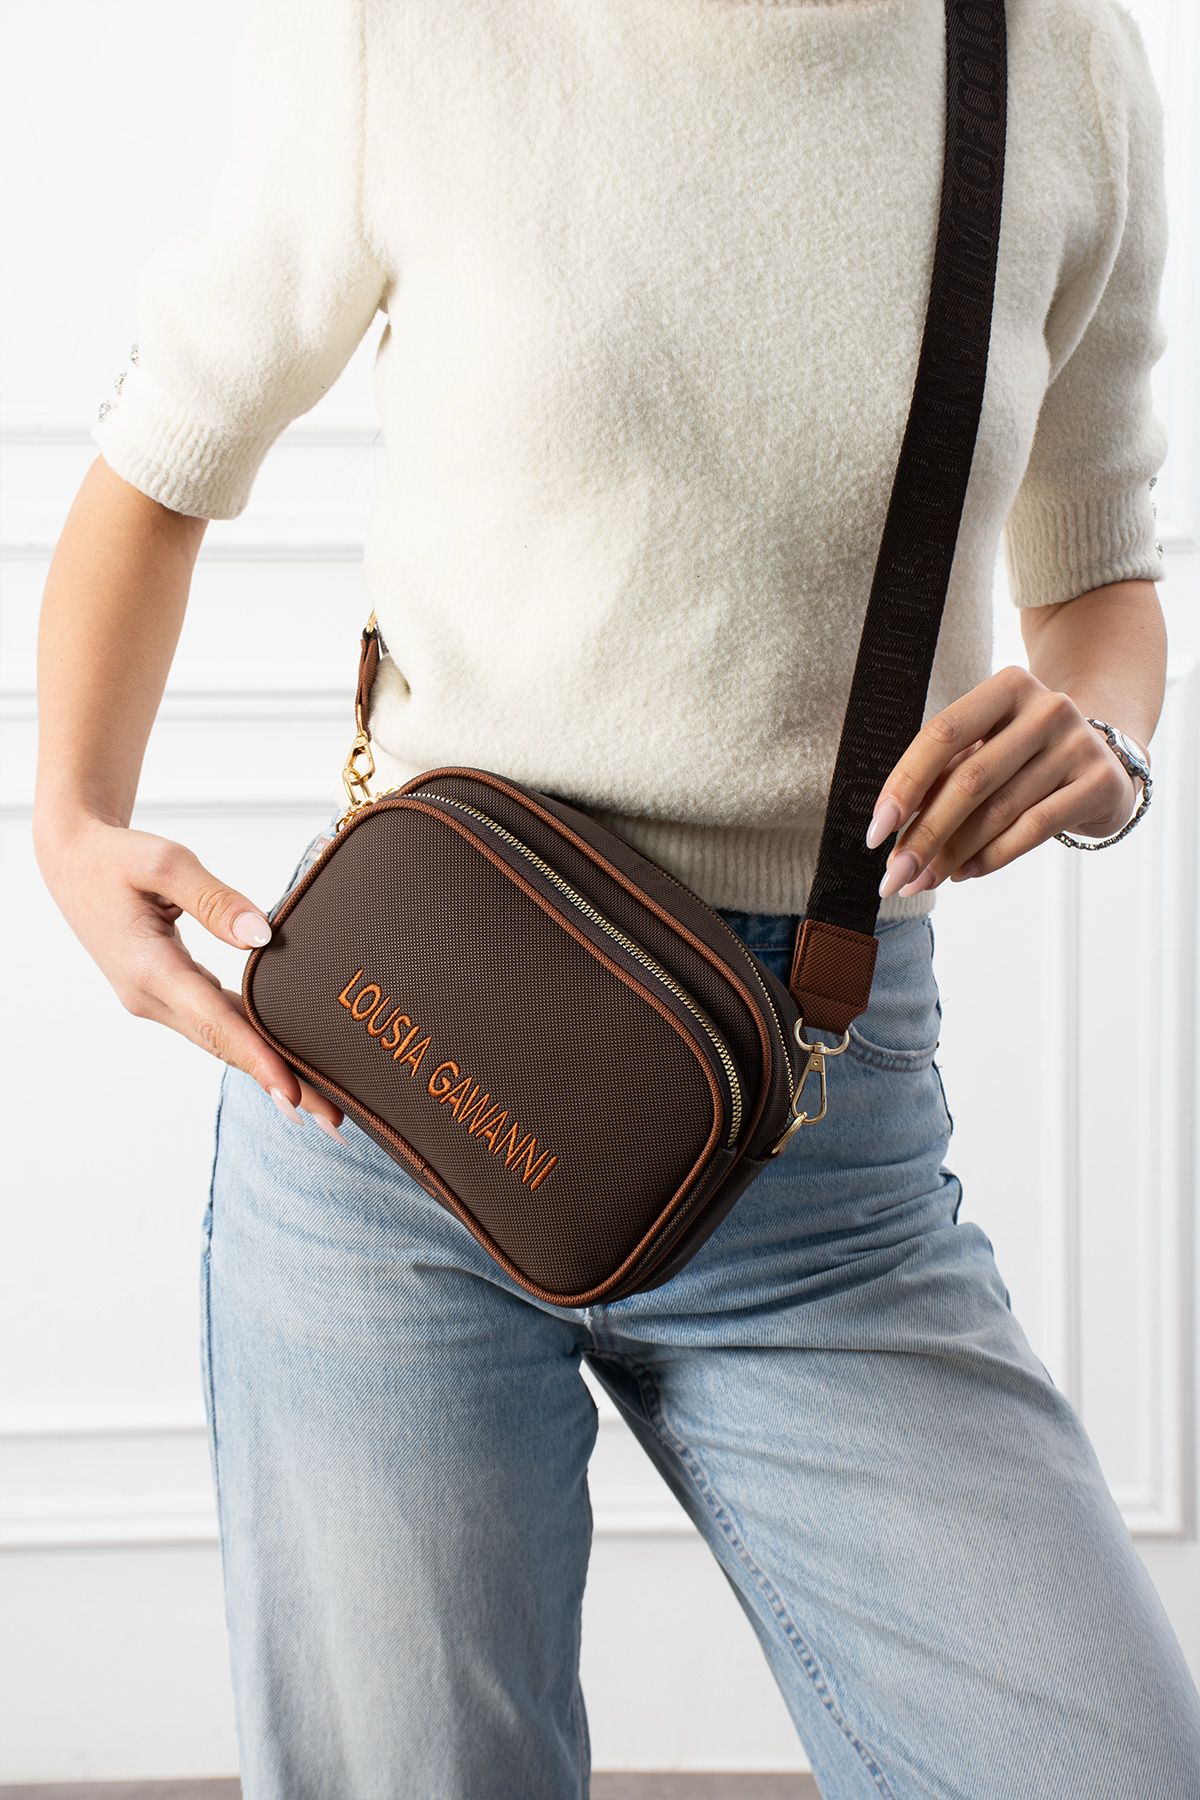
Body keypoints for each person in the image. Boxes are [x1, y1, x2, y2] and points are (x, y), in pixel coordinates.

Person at [34, 0, 1200, 1794]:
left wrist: (1103, 746)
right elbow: (163, 454)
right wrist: (70, 826)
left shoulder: (1057, 63)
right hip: (392, 1103)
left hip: (824, 1155)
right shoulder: (409, 35)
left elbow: (1100, 577)